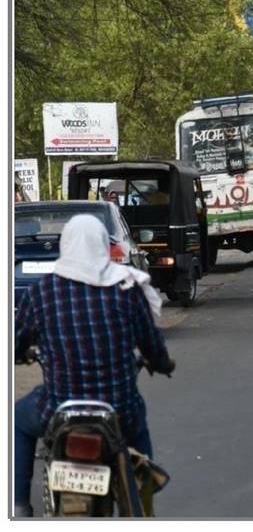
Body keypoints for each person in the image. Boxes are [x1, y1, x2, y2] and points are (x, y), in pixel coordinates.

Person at [13, 215, 173, 517]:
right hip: (118, 411)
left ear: (66, 246)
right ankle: (141, 503)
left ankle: (18, 504)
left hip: (58, 409)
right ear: (102, 245)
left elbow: (17, 341)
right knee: (137, 426)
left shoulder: (42, 292)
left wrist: (21, 352)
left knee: (18, 421)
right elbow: (151, 343)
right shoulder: (126, 288)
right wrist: (162, 363)